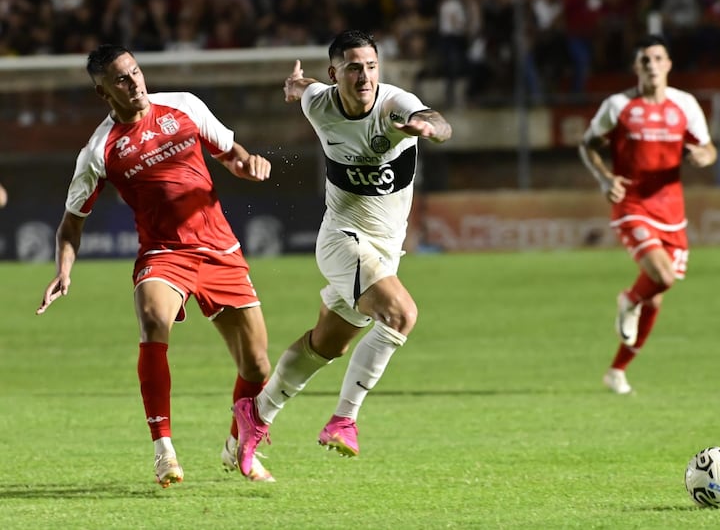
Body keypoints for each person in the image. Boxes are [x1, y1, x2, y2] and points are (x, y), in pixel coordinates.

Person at [36, 44, 276, 486]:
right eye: (122, 80)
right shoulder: (99, 150)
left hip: (220, 251)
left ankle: (235, 445)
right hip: (164, 254)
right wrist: (64, 270)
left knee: (259, 368)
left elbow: (232, 155)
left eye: (136, 72)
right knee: (152, 320)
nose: (135, 83)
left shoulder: (183, 106)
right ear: (103, 93)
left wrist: (249, 165)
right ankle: (163, 450)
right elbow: (71, 223)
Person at [230, 29, 452, 473]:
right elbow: (305, 88)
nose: (364, 75)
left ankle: (255, 417)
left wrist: (431, 129)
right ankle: (343, 420)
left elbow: (437, 121)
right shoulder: (321, 103)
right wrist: (296, 87)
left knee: (324, 346)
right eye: (353, 67)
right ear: (335, 74)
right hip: (341, 241)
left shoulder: (394, 104)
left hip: (385, 252)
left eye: (371, 66)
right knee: (400, 314)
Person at [578, 34, 717, 395]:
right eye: (645, 60)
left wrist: (705, 156)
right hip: (632, 205)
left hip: (672, 211)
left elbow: (708, 147)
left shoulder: (684, 105)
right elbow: (588, 143)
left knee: (655, 296)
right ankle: (627, 300)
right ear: (636, 67)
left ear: (669, 64)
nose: (652, 65)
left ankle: (617, 371)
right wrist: (605, 178)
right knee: (663, 276)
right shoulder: (618, 105)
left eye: (658, 58)